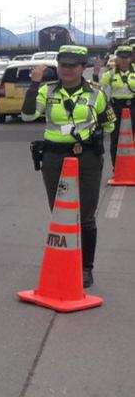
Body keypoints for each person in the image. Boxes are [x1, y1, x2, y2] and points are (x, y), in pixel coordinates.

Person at [22, 44, 115, 288]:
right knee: (60, 213)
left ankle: (86, 268)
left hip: (86, 159)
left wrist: (91, 135)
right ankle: (63, 263)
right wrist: (34, 83)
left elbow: (110, 124)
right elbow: (28, 115)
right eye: (63, 65)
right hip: (54, 158)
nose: (67, 69)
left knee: (85, 215)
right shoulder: (47, 91)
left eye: (73, 65)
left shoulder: (97, 93)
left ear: (82, 67)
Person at [96, 44, 135, 166]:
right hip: (116, 108)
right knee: (116, 138)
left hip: (133, 107)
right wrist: (95, 75)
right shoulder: (110, 74)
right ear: (117, 58)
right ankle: (116, 166)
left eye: (127, 57)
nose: (124, 60)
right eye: (121, 57)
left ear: (131, 58)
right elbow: (98, 88)